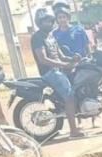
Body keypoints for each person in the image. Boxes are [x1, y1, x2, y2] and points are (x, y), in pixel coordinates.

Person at [30, 8, 84, 139]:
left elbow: (60, 55)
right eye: (45, 21)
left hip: (58, 69)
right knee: (69, 95)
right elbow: (43, 59)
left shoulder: (51, 36)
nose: (49, 23)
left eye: (50, 21)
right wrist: (64, 65)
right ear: (39, 23)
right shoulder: (37, 37)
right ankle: (73, 131)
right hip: (50, 72)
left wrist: (73, 59)